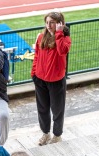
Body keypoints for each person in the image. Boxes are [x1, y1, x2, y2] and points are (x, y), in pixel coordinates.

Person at [31, 11, 71, 145]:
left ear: (60, 24)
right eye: (47, 22)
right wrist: (34, 73)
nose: (48, 25)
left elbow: (62, 51)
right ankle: (45, 133)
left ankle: (57, 135)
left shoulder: (65, 39)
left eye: (52, 22)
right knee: (42, 109)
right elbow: (36, 56)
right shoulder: (41, 37)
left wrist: (58, 33)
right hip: (40, 80)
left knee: (57, 110)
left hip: (56, 81)